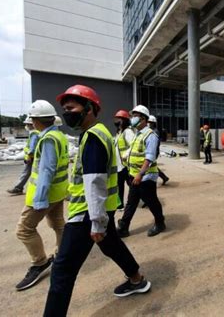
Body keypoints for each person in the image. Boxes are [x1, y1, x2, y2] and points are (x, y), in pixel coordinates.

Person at [44, 85, 150, 316]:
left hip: (87, 213)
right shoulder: (99, 133)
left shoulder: (94, 137)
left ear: (89, 108)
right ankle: (136, 279)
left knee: (62, 269)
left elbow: (95, 182)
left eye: (71, 107)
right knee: (111, 244)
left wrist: (97, 222)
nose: (67, 112)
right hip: (99, 210)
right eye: (64, 109)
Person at [15, 100, 68, 291]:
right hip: (57, 192)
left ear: (36, 120)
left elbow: (46, 170)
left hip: (45, 194)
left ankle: (39, 263)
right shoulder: (59, 136)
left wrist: (39, 199)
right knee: (58, 224)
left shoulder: (47, 139)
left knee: (24, 229)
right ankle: (62, 255)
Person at [116, 105, 166, 238]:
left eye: (135, 116)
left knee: (152, 202)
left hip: (146, 177)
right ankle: (124, 227)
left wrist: (140, 174)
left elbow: (149, 158)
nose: (132, 118)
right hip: (134, 174)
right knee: (131, 202)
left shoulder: (150, 135)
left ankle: (160, 223)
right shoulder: (137, 134)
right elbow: (133, 151)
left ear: (143, 119)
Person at [7, 117, 39, 195]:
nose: (26, 126)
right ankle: (19, 187)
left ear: (32, 124)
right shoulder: (37, 132)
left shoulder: (34, 133)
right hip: (34, 157)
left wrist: (29, 156)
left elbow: (33, 146)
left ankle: (18, 188)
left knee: (26, 173)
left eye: (27, 124)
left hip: (32, 157)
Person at [113, 109, 135, 211]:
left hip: (125, 164)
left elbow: (133, 145)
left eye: (119, 119)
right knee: (119, 186)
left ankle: (137, 200)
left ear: (124, 120)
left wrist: (126, 155)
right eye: (116, 118)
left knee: (131, 185)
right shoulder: (119, 132)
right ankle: (120, 205)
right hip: (118, 165)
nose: (116, 120)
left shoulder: (128, 132)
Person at [148, 115, 170, 185]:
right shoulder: (151, 130)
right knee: (151, 166)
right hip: (152, 151)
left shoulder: (155, 131)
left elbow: (155, 143)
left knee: (150, 166)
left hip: (154, 152)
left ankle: (161, 178)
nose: (149, 124)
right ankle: (164, 177)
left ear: (153, 123)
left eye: (150, 122)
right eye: (148, 122)